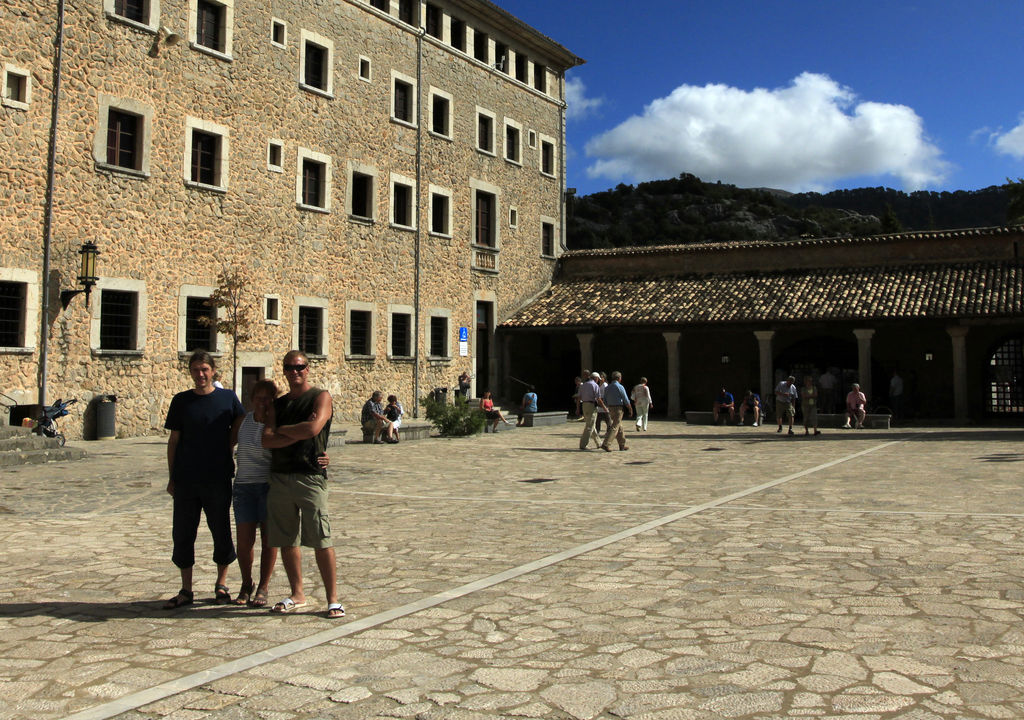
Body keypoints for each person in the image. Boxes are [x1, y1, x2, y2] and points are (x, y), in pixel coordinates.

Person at [232, 380, 330, 607]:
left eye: (268, 398)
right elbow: (233, 444)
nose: (263, 402)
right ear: (252, 398)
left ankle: (263, 587)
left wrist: (323, 455)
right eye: (259, 397)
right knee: (244, 542)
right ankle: (246, 583)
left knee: (270, 540)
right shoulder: (242, 421)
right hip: (244, 486)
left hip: (270, 483)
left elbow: (304, 439)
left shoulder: (278, 419)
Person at [261, 350, 343, 619]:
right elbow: (267, 440)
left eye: (299, 367)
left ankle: (333, 599)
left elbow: (312, 430)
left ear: (308, 369)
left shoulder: (320, 397)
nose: (294, 372)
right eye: (289, 367)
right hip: (281, 476)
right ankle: (298, 593)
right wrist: (295, 431)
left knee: (321, 538)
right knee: (287, 539)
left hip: (310, 476)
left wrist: (284, 431)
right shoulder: (279, 404)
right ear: (284, 371)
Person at [162, 350, 244, 610]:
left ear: (212, 371)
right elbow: (173, 441)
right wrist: (172, 476)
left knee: (220, 530)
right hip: (187, 478)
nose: (200, 374)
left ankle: (222, 583)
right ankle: (186, 588)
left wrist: (228, 444)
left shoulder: (228, 398)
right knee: (183, 533)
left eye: (204, 370)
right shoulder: (181, 401)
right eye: (196, 370)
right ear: (190, 372)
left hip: (217, 476)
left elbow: (241, 422)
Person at [601, 371, 632, 452]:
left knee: (619, 425)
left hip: (610, 408)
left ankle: (622, 444)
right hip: (618, 408)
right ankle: (606, 444)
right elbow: (625, 399)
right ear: (619, 378)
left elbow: (605, 400)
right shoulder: (620, 387)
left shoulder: (607, 387)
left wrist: (608, 406)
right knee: (615, 426)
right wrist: (630, 409)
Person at [578, 372, 606, 450]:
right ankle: (583, 444)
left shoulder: (583, 385)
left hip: (584, 405)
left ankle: (599, 443)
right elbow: (598, 399)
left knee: (591, 424)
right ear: (596, 378)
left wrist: (577, 408)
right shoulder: (595, 385)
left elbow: (579, 397)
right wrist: (604, 408)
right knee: (589, 426)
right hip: (591, 405)